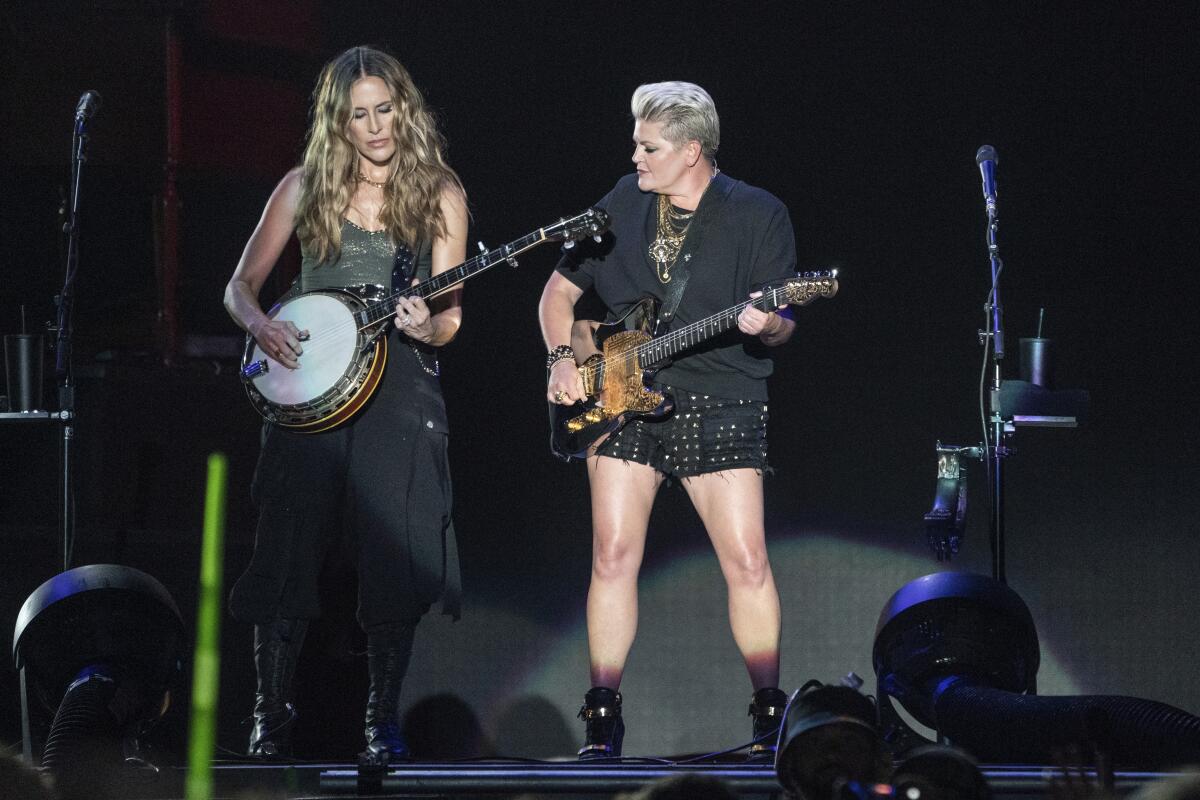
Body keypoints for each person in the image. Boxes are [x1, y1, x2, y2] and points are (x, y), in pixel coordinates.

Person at [223, 45, 468, 763]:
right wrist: (263, 324)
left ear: (405, 109)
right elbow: (239, 287)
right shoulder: (304, 187)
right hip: (308, 387)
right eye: (359, 115)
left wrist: (432, 325)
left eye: (385, 110)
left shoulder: (440, 192)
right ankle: (269, 715)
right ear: (340, 122)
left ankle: (380, 721)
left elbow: (452, 316)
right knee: (286, 546)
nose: (376, 126)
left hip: (399, 382)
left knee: (394, 552)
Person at [539, 81, 797, 759]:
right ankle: (602, 716)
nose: (635, 156)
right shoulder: (622, 201)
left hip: (723, 393)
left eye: (648, 146)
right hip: (621, 383)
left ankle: (770, 714)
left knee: (746, 559)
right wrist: (562, 357)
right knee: (613, 553)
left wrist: (768, 321)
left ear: (691, 151)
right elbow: (559, 292)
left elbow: (781, 329)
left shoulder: (757, 213)